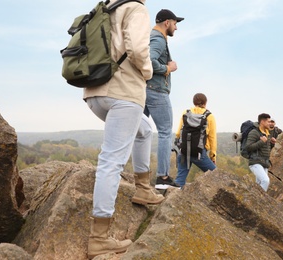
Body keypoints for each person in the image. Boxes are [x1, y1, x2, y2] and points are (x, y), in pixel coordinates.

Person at [83, 1, 164, 258]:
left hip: (95, 92)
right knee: (112, 161)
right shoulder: (136, 8)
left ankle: (143, 188)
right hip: (123, 92)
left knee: (143, 130)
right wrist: (149, 72)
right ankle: (98, 238)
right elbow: (139, 50)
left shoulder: (105, 6)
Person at [144, 9, 184, 189]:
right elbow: (150, 61)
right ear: (167, 23)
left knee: (139, 131)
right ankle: (163, 177)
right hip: (156, 90)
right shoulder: (159, 39)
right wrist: (167, 69)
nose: (176, 27)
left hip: (145, 89)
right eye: (175, 23)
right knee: (165, 132)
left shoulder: (151, 36)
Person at [174, 93, 217, 187]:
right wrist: (213, 156)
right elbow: (212, 138)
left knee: (180, 179)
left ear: (194, 102)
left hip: (184, 150)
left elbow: (178, 133)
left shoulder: (186, 113)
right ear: (205, 103)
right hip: (199, 153)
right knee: (217, 176)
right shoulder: (209, 116)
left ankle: (172, 199)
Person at [245, 113, 272, 192]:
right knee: (265, 180)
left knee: (258, 185)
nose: (270, 123)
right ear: (262, 122)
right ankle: (260, 201)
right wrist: (261, 142)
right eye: (268, 122)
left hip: (265, 163)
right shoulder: (254, 132)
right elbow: (248, 147)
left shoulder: (267, 133)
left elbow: (265, 149)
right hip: (255, 162)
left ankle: (253, 200)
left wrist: (272, 143)